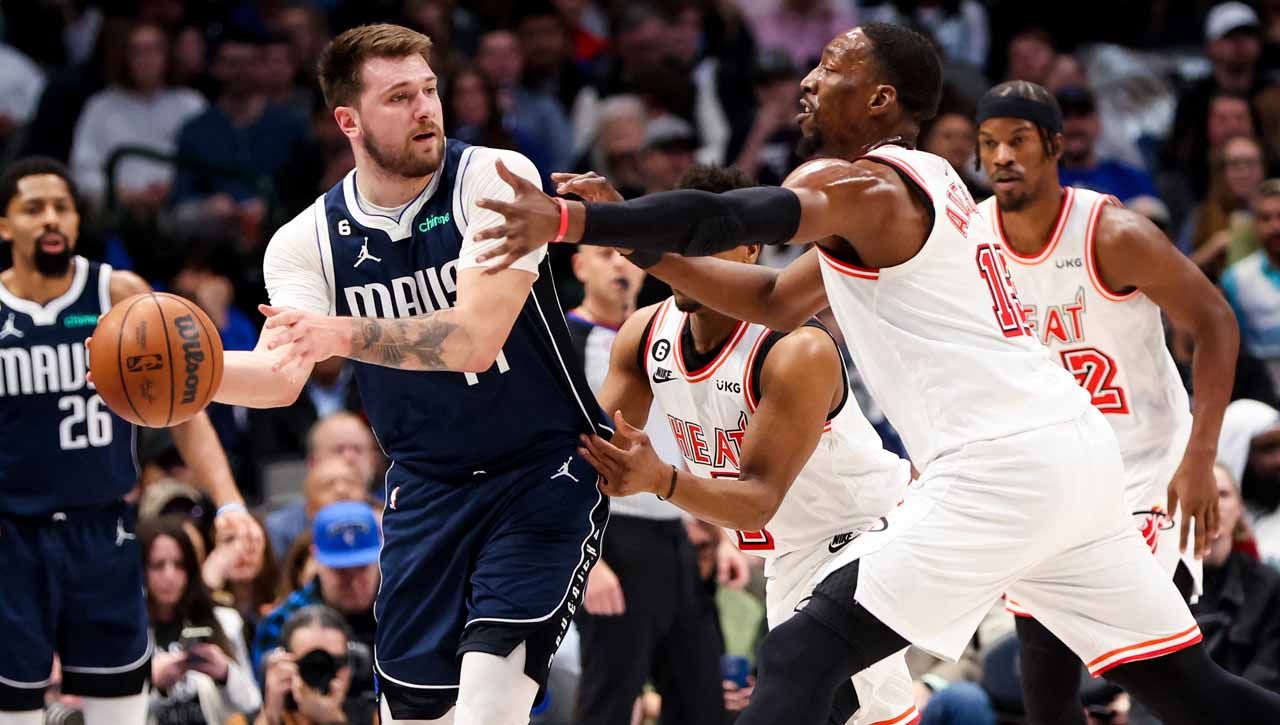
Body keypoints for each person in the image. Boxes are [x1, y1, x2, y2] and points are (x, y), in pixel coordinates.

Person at [471, 22, 1280, 724]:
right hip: (1072, 459)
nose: (811, 78)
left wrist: (581, 220)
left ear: (883, 100)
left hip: (998, 468)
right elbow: (774, 296)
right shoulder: (927, 195)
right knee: (1185, 687)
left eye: (832, 66)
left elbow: (736, 217)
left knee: (798, 653)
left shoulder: (855, 183)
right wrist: (645, 243)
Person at [211, 24, 609, 724]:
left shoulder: (494, 178)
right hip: (426, 489)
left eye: (429, 89)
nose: (426, 108)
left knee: (489, 707)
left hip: (543, 471)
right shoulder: (305, 240)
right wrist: (193, 375)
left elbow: (475, 339)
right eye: (400, 97)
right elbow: (279, 376)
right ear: (349, 120)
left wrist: (340, 330)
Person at [567, 163, 919, 724]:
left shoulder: (795, 350)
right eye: (671, 242)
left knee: (798, 683)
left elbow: (758, 498)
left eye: (700, 245)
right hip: (789, 552)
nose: (681, 262)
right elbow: (589, 450)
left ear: (751, 249)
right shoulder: (644, 334)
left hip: (874, 533)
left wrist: (660, 480)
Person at [974, 80, 1239, 724]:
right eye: (988, 143)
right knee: (1046, 686)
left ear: (1056, 146)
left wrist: (1200, 459)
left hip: (1141, 473)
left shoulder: (1112, 232)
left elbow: (1216, 324)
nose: (1001, 156)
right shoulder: (969, 238)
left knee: (1169, 687)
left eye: (1018, 140)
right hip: (1052, 480)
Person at [0, 156, 257, 725]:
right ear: (4, 225)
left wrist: (231, 502)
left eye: (62, 207)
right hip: (13, 540)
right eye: (33, 208)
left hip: (104, 532)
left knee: (121, 712)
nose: (51, 219)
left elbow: (187, 410)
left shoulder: (117, 292)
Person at [564, 234, 737, 725]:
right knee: (611, 701)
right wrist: (586, 559)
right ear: (579, 267)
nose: (619, 266)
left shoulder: (668, 337)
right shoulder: (565, 342)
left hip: (676, 534)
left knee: (703, 699)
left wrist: (720, 532)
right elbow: (551, 456)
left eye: (627, 256)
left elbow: (684, 436)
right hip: (610, 536)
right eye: (604, 255)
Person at [253, 501, 380, 710]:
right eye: (341, 571)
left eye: (362, 568)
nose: (354, 581)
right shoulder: (282, 621)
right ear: (316, 558)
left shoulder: (403, 613)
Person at [141, 516, 262, 725]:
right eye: (158, 566)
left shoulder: (224, 621)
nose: (169, 575)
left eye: (179, 565)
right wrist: (153, 684)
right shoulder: (123, 632)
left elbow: (251, 703)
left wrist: (224, 673)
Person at [1191, 464, 1280, 692]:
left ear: (1240, 507)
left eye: (1222, 494)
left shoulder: (1269, 588)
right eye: (1199, 491)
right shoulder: (1160, 584)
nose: (1211, 503)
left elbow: (1265, 678)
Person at [258, 605, 376, 725]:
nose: (322, 673)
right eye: (312, 664)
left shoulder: (378, 716)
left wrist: (334, 720)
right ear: (286, 664)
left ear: (350, 665)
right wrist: (271, 716)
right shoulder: (254, 717)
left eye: (334, 662)